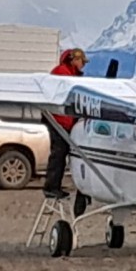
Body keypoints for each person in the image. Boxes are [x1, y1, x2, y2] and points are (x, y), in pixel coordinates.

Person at [42, 48, 89, 199]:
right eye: (82, 62)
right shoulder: (63, 73)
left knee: (62, 153)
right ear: (74, 60)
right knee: (59, 153)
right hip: (58, 121)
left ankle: (55, 185)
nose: (83, 66)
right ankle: (51, 186)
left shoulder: (67, 73)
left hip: (62, 120)